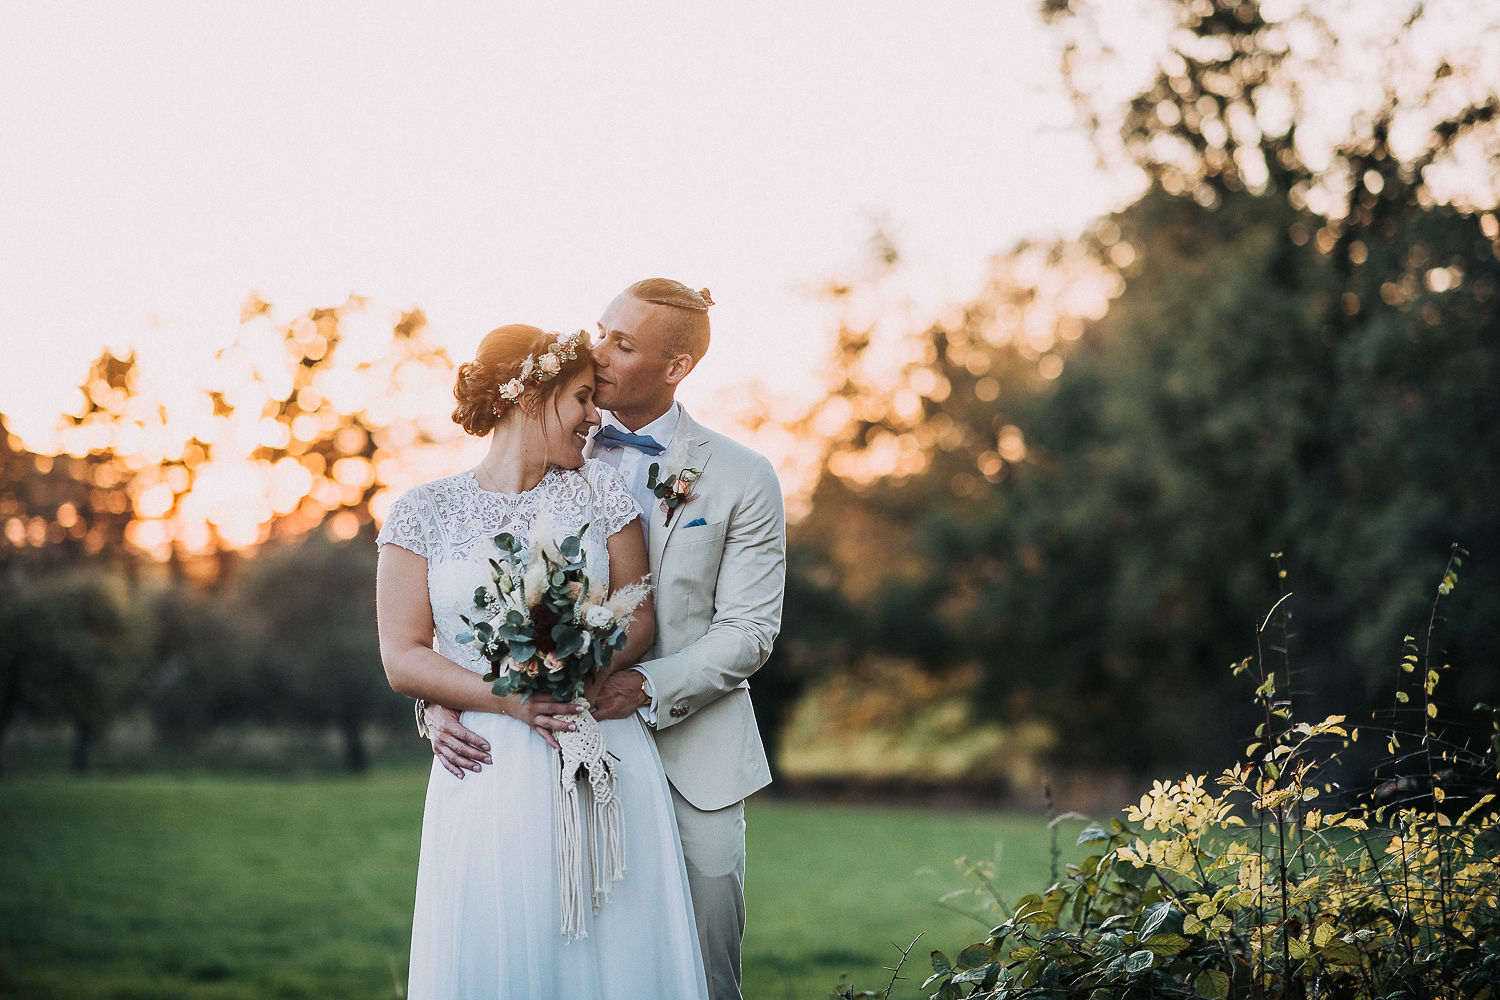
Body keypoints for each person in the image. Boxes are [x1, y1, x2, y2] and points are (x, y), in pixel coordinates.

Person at [426, 281, 787, 1000]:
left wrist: (645, 684)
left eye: (623, 344)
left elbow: (750, 630)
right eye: (601, 331)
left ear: (676, 366)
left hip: (693, 764)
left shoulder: (743, 477)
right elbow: (469, 595)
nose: (598, 352)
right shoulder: (538, 449)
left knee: (704, 978)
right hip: (543, 758)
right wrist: (440, 702)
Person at [375, 324, 708, 999]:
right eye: (583, 398)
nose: (595, 416)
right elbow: (403, 655)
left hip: (600, 746)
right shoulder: (422, 513)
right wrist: (507, 697)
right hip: (488, 765)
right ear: (529, 396)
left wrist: (574, 671)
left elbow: (637, 613)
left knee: (617, 950)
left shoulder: (600, 495)